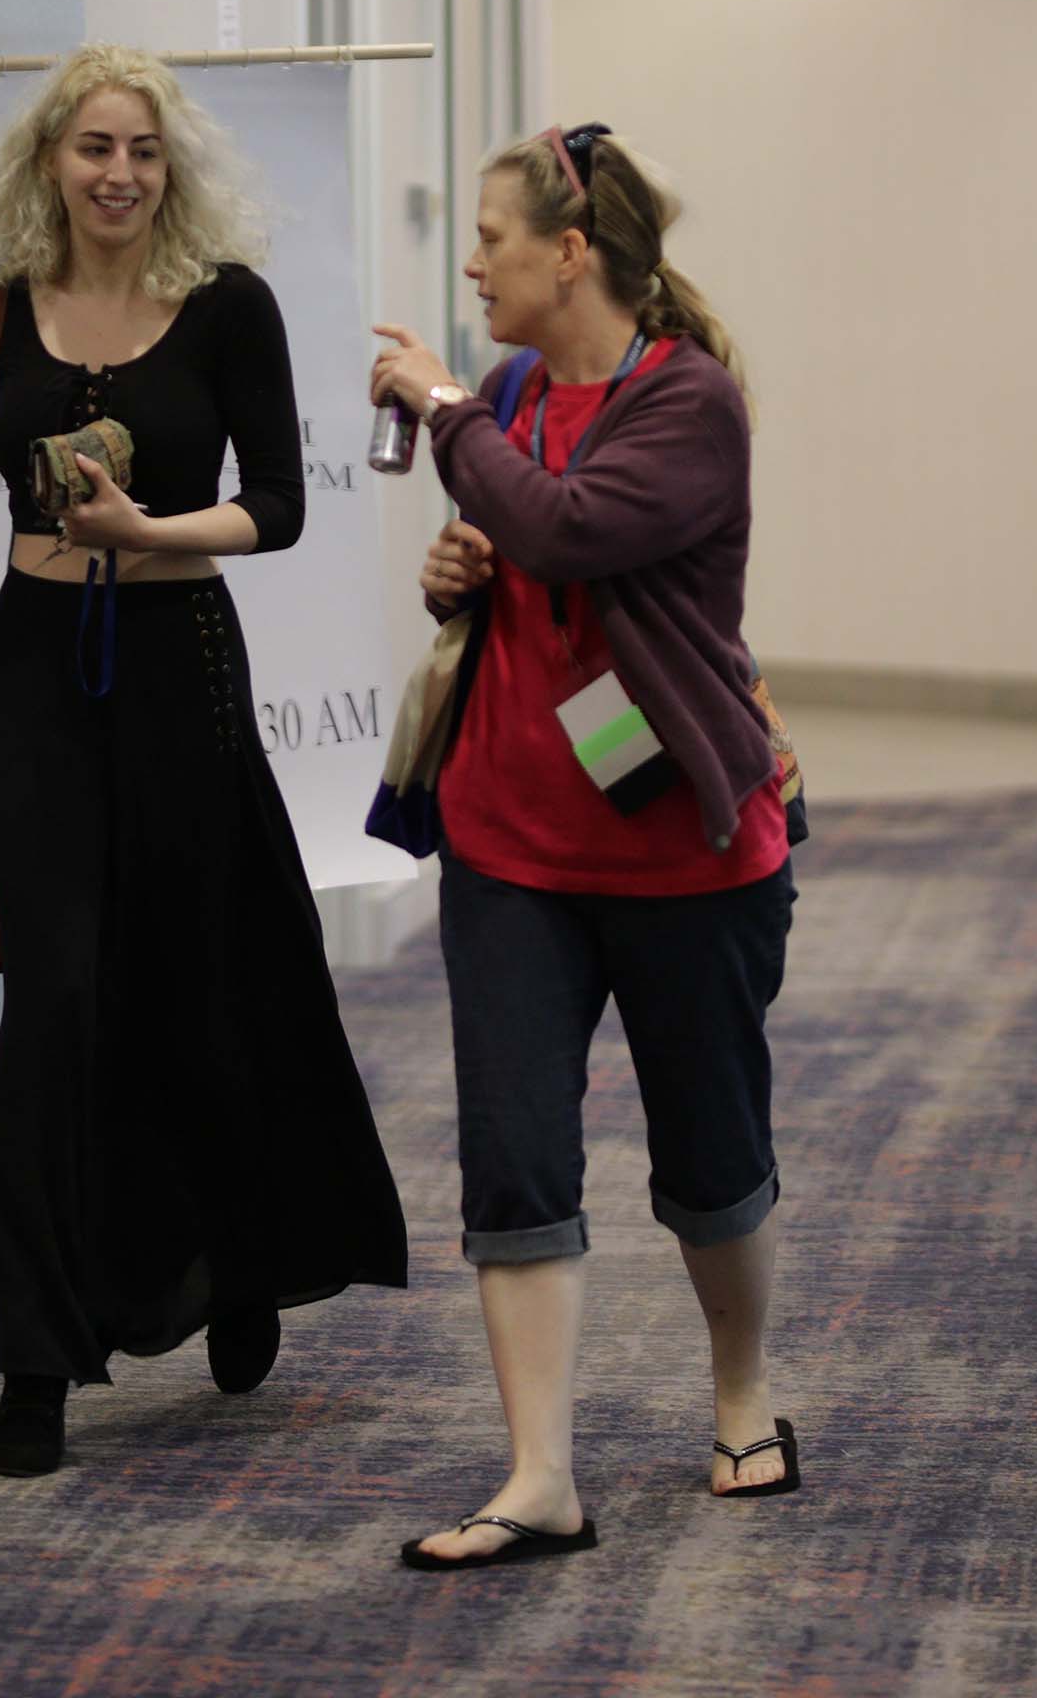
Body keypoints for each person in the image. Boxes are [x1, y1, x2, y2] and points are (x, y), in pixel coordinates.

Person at [0, 44, 406, 1477]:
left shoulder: (231, 309)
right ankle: (37, 1348)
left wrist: (152, 535)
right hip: (39, 676)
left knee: (200, 978)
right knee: (59, 991)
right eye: (95, 147)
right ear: (51, 163)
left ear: (173, 166)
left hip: (182, 669)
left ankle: (236, 1261)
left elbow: (273, 506)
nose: (120, 174)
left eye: (143, 150)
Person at [366, 122, 799, 1572]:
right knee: (513, 1155)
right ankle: (539, 1473)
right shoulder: (505, 395)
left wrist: (438, 413)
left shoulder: (692, 406)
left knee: (711, 1150)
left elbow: (562, 530)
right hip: (509, 841)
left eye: (494, 236)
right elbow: (516, 556)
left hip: (681, 846)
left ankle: (743, 1394)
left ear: (570, 252)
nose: (475, 260)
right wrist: (453, 580)